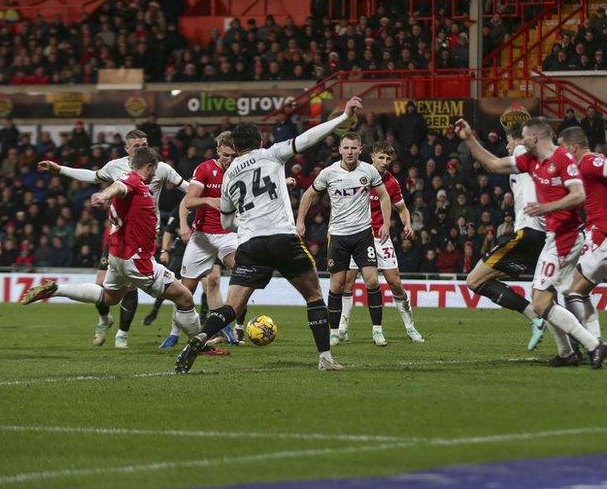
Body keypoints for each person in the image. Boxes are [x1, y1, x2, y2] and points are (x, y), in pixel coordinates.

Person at [175, 97, 367, 373]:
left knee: (232, 305)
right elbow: (307, 138)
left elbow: (227, 220)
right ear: (260, 141)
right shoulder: (272, 154)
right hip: (282, 238)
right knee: (313, 295)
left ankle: (201, 337)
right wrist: (342, 117)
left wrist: (242, 224)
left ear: (237, 146)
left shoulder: (228, 177)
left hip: (251, 244)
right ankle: (325, 358)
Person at [456, 116, 607, 370]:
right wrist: (470, 138)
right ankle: (567, 352)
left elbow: (579, 194)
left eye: (524, 136)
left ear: (534, 138)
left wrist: (546, 206)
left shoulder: (562, 158)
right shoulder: (531, 160)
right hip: (552, 237)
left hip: (566, 237)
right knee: (542, 298)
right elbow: (494, 164)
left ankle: (595, 345)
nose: (520, 141)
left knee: (539, 301)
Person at [21, 148, 203, 347]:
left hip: (118, 255)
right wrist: (104, 195)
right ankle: (199, 346)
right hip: (137, 259)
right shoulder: (133, 181)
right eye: (153, 170)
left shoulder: (133, 179)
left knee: (108, 297)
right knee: (184, 297)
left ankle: (56, 289)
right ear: (149, 166)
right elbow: (118, 186)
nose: (154, 175)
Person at [297, 132, 393, 347]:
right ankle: (333, 331)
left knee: (372, 281)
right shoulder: (329, 173)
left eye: (354, 148)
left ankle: (377, 331)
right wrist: (300, 221)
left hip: (363, 235)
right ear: (340, 149)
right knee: (337, 285)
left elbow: (384, 195)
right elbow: (308, 195)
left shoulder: (368, 171)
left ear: (360, 150)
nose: (350, 152)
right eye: (346, 148)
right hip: (338, 236)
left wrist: (386, 223)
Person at [462, 123, 548, 352]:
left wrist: (470, 138)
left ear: (518, 139)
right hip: (542, 235)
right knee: (550, 295)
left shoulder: (521, 151)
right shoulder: (537, 160)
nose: (507, 147)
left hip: (528, 233)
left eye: (509, 141)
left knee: (474, 280)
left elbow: (492, 164)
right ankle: (575, 343)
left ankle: (535, 318)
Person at [155, 131, 241, 349]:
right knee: (186, 289)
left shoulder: (241, 170)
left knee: (243, 273)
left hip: (230, 234)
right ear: (218, 149)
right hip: (202, 237)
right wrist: (204, 205)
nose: (229, 160)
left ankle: (229, 325)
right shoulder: (204, 169)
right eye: (225, 155)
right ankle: (174, 333)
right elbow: (189, 200)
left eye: (233, 156)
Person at [340, 142, 425, 344]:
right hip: (356, 235)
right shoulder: (357, 175)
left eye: (388, 159)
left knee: (394, 282)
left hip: (380, 237)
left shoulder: (391, 183)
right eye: (381, 157)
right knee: (347, 282)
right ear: (372, 156)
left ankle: (410, 327)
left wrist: (408, 224)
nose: (385, 162)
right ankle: (342, 327)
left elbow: (403, 209)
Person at [556, 126, 607, 366]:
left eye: (562, 146)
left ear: (574, 146)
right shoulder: (579, 168)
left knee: (570, 290)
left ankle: (589, 342)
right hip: (602, 233)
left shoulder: (587, 161)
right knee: (578, 291)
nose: (560, 152)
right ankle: (595, 343)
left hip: (604, 233)